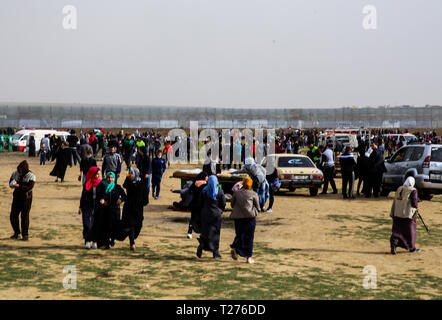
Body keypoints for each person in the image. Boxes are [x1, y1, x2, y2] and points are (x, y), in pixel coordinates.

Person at [114, 168, 147, 251]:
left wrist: (142, 203)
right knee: (130, 225)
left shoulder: (142, 183)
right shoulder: (129, 183)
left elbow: (145, 198)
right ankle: (132, 244)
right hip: (128, 208)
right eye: (129, 173)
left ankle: (121, 236)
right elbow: (124, 185)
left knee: (138, 226)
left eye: (131, 173)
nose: (130, 175)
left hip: (138, 210)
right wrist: (127, 177)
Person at [229, 177, 259, 264]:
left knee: (239, 234)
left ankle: (236, 249)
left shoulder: (236, 193)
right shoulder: (253, 194)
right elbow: (258, 206)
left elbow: (232, 204)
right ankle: (249, 257)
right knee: (249, 237)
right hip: (250, 218)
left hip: (238, 218)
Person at [196, 175, 226, 259]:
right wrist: (220, 211)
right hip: (216, 215)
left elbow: (200, 203)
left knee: (205, 231)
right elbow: (223, 203)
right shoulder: (219, 192)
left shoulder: (204, 191)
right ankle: (215, 251)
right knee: (215, 233)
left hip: (205, 213)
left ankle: (202, 244)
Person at [95, 172, 127, 249]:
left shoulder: (117, 187)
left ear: (114, 178)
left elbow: (125, 196)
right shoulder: (103, 186)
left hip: (115, 210)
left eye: (112, 177)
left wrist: (121, 199)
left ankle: (113, 239)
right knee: (106, 226)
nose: (110, 179)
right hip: (105, 210)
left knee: (115, 226)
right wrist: (102, 200)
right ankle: (106, 242)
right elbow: (98, 196)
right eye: (109, 177)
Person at [390, 177, 421, 254]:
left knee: (396, 230)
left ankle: (394, 244)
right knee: (410, 231)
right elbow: (414, 204)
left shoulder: (399, 188)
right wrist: (417, 203)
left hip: (397, 212)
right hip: (407, 214)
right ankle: (411, 248)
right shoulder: (413, 190)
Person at [9, 160, 36, 240]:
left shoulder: (31, 176)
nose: (20, 170)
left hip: (26, 199)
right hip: (16, 197)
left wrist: (19, 186)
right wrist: (12, 184)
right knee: (13, 216)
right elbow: (10, 182)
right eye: (19, 169)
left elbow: (29, 187)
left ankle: (25, 235)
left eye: (22, 169)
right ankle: (16, 232)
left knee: (24, 217)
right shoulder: (15, 173)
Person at [79, 167, 101, 249]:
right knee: (86, 224)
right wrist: (80, 207)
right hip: (87, 206)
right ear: (92, 174)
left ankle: (95, 241)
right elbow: (83, 196)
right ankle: (87, 241)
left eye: (99, 174)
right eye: (96, 174)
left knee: (95, 224)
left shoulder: (101, 184)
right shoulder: (87, 184)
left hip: (97, 207)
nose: (98, 175)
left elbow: (103, 195)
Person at [187, 171, 208, 239]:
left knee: (193, 218)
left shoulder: (194, 183)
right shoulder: (205, 185)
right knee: (202, 219)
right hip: (201, 204)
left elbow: (189, 192)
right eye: (206, 177)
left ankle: (189, 232)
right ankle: (202, 233)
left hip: (193, 203)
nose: (207, 178)